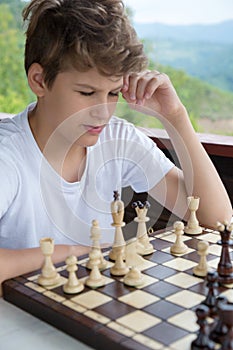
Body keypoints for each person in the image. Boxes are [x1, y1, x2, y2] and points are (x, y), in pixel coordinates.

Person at [0, 0, 232, 296]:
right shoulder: (7, 155)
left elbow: (218, 219)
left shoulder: (117, 139)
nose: (103, 112)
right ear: (39, 80)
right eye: (87, 92)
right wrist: (76, 252)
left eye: (112, 93)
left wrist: (175, 117)